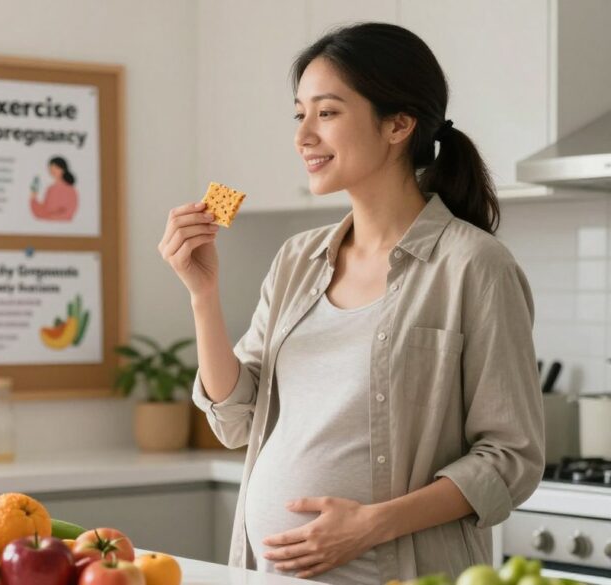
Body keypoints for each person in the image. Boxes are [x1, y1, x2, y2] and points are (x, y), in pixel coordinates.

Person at [160, 22, 544, 584]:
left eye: (327, 112)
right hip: (269, 573)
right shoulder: (297, 258)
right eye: (299, 114)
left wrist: (371, 525)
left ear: (398, 123)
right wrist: (203, 294)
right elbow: (236, 420)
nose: (303, 136)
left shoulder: (473, 266)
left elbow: (511, 458)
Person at [30, 156, 79, 221]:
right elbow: (45, 209)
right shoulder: (51, 188)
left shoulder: (70, 190)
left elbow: (67, 212)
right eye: (51, 168)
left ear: (63, 169)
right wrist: (34, 198)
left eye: (56, 168)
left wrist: (52, 215)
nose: (53, 170)